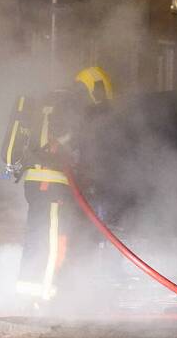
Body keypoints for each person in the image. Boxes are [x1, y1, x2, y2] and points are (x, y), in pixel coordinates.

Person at [15, 66, 114, 304]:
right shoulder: (73, 104)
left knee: (38, 237)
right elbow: (71, 145)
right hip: (53, 183)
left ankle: (30, 293)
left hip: (36, 182)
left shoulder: (52, 101)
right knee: (51, 241)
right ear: (96, 88)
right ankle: (46, 297)